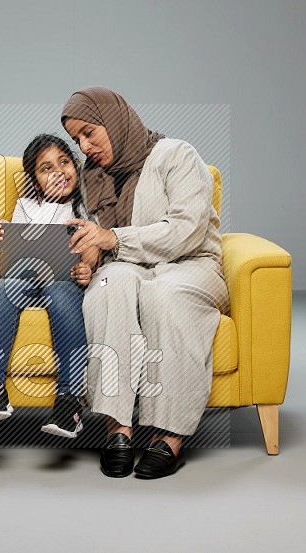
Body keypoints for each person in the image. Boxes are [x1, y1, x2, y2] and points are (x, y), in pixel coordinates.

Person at [61, 87, 230, 478]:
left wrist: (113, 239)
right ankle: (117, 428)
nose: (85, 147)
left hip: (189, 264)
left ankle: (169, 435)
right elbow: (91, 238)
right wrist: (84, 256)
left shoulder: (177, 155)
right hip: (129, 263)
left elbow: (186, 231)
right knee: (108, 286)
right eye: (77, 140)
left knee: (164, 296)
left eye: (90, 132)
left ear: (114, 120)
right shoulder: (92, 177)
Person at [0, 134, 100, 438]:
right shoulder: (27, 207)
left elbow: (93, 250)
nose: (59, 172)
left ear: (76, 165)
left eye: (64, 162)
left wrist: (87, 269)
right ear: (35, 181)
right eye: (46, 169)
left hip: (63, 281)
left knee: (60, 294)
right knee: (4, 290)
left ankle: (68, 404)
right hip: (26, 279)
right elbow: (16, 254)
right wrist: (2, 243)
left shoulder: (84, 205)